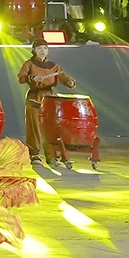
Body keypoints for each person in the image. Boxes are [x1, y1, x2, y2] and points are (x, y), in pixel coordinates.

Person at [16, 40, 81, 170]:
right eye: (39, 48)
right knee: (34, 128)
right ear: (34, 50)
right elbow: (21, 78)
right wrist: (32, 78)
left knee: (51, 129)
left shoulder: (54, 66)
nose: (42, 50)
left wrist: (69, 82)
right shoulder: (29, 64)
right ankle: (34, 155)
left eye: (45, 48)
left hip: (50, 100)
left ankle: (52, 156)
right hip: (35, 98)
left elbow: (63, 78)